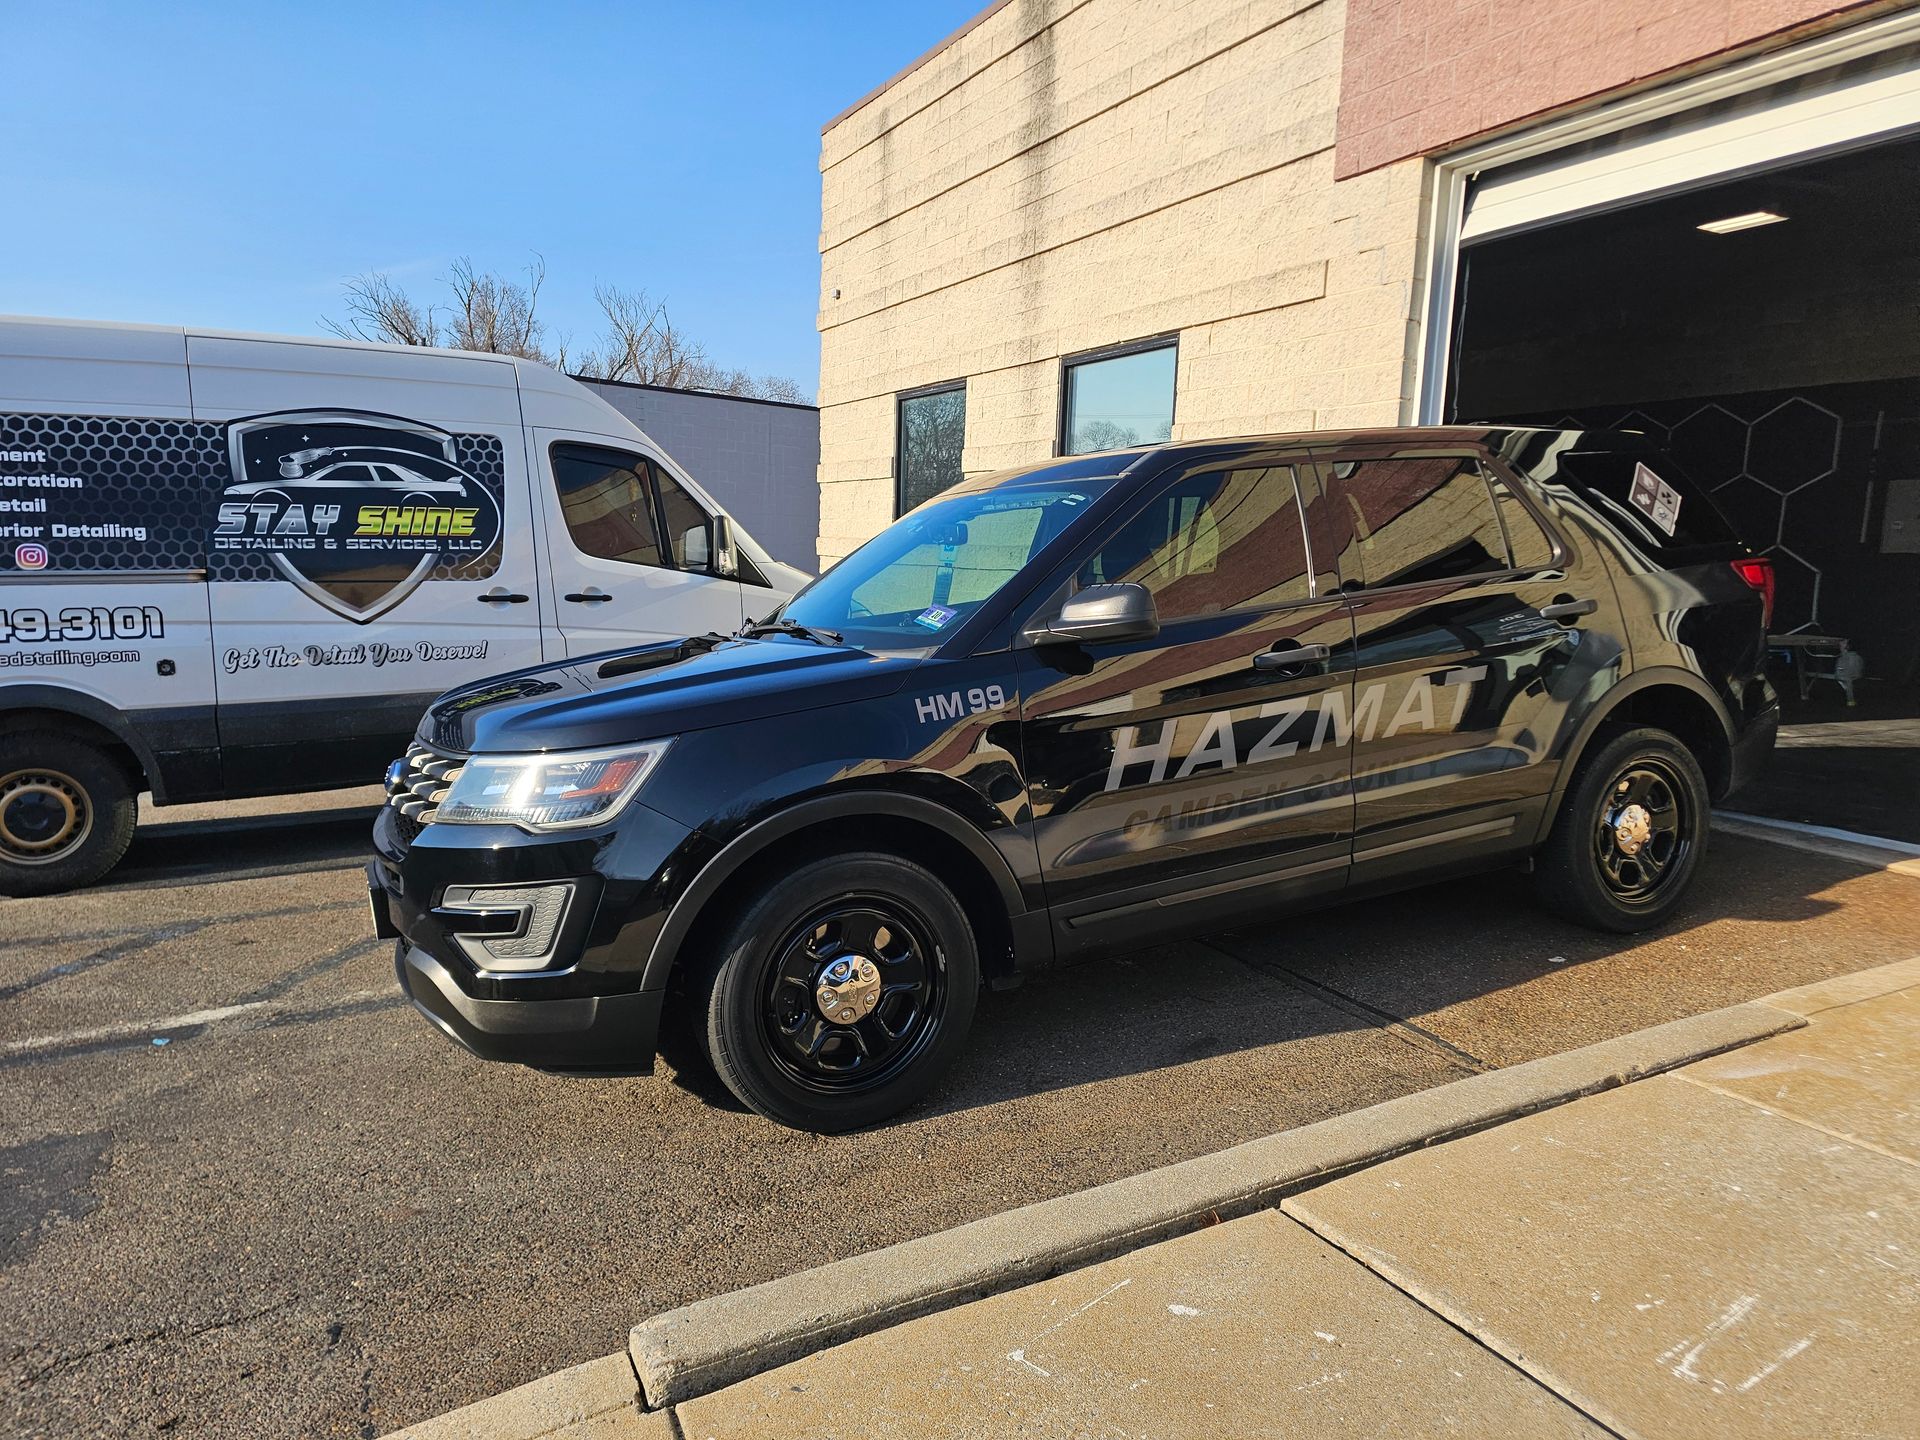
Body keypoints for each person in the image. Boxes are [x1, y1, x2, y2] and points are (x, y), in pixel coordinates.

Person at [1834, 639, 1865, 708]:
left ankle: (1850, 702)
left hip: (1846, 679)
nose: (1840, 645)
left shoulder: (1844, 658)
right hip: (1855, 678)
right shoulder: (1858, 657)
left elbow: (1839, 674)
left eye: (1843, 644)